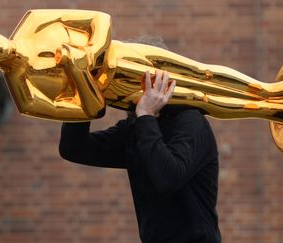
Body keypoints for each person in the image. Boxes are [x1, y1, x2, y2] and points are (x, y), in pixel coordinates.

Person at [59, 70, 222, 243]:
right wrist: (83, 92)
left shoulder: (191, 122)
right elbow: (74, 148)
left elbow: (168, 178)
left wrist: (145, 114)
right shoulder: (136, 128)